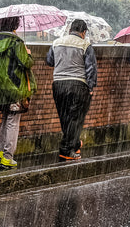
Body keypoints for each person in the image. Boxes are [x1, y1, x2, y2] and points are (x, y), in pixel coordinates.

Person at [0, 16, 36, 169]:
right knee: (12, 122)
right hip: (14, 88)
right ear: (15, 24)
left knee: (5, 119)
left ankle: (1, 153)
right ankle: (7, 158)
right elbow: (27, 63)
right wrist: (28, 53)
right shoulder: (16, 42)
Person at [46, 19, 97, 161]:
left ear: (70, 30)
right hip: (78, 84)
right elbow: (91, 68)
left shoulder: (56, 43)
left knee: (65, 117)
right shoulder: (85, 45)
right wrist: (91, 86)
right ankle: (67, 149)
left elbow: (50, 61)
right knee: (76, 118)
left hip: (58, 84)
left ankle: (74, 144)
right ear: (84, 32)